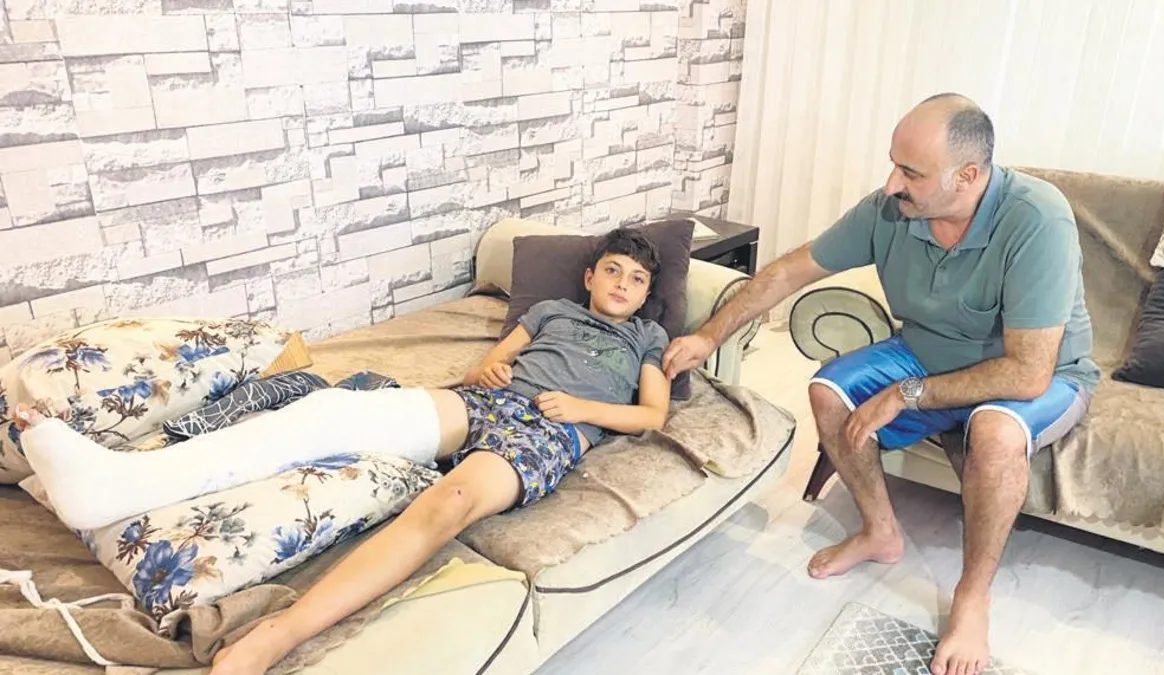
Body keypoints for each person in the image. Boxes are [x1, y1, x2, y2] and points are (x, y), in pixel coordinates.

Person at [14, 227, 672, 675]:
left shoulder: (646, 338)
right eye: (612, 270)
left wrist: (584, 410)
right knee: (329, 411)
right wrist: (491, 370)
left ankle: (277, 635)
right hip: (485, 401)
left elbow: (653, 413)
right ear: (590, 276)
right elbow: (486, 367)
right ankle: (120, 483)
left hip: (548, 432)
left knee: (452, 501)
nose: (622, 283)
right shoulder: (551, 311)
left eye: (637, 278)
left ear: (647, 294)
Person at [663, 93, 1097, 675]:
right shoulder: (891, 210)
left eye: (911, 172)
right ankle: (880, 532)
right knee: (829, 392)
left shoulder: (1037, 218)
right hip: (928, 351)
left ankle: (972, 597)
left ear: (968, 176)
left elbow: (1027, 372)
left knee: (995, 434)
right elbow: (791, 270)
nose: (892, 184)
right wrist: (709, 335)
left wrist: (905, 394)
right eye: (894, 165)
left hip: (1040, 374)